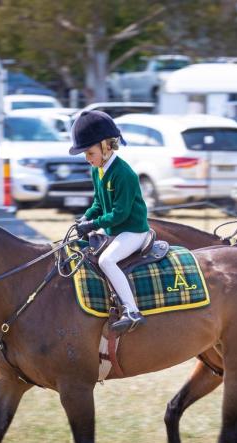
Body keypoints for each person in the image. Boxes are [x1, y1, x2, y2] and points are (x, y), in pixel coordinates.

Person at [70, 110, 151, 334]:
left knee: (107, 261)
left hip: (133, 231)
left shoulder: (124, 174)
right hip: (113, 230)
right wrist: (85, 218)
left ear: (106, 147)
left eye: (90, 153)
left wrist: (93, 224)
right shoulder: (97, 170)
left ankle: (132, 310)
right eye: (85, 154)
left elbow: (120, 214)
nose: (87, 158)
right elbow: (98, 202)